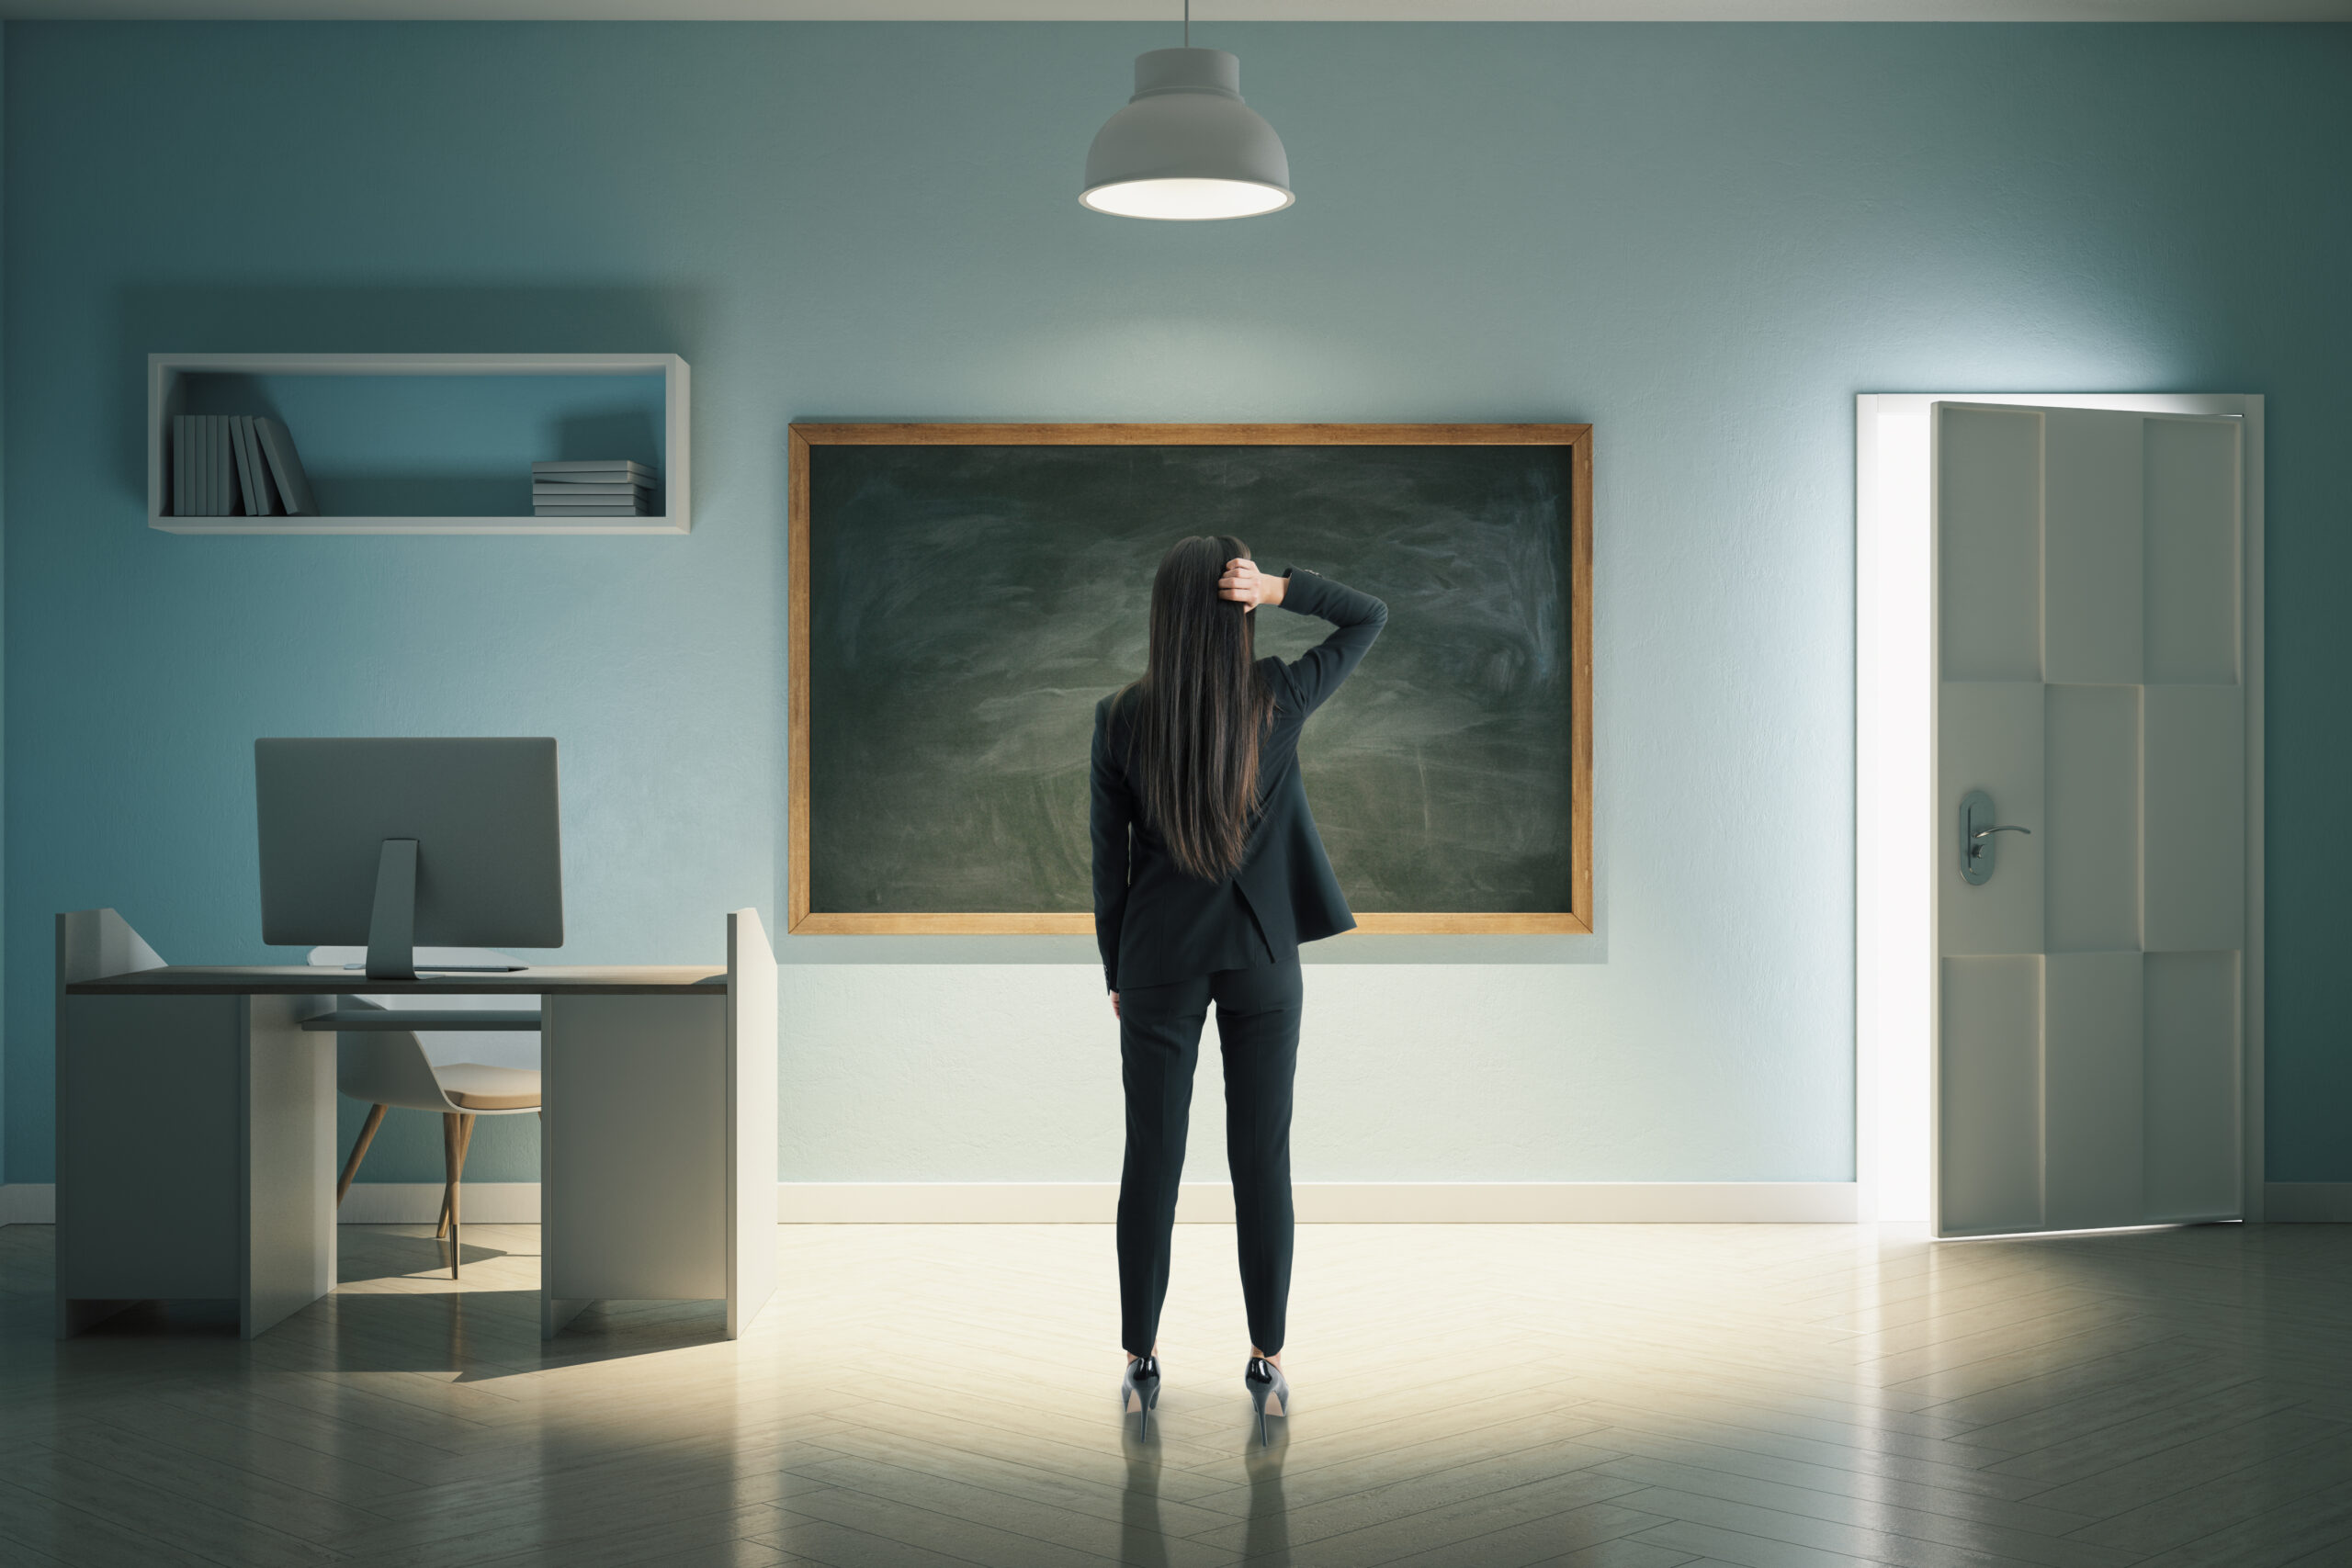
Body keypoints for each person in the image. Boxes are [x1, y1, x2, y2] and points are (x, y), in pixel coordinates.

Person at [1090, 536, 1387, 1443]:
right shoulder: (1278, 699)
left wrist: (1115, 971)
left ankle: (1139, 1359)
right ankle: (1268, 1358)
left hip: (1156, 964)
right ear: (1238, 605)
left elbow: (1111, 864)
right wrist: (1286, 586)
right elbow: (1369, 615)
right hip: (1262, 957)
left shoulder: (1118, 717)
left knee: (1153, 1158)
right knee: (1261, 1161)